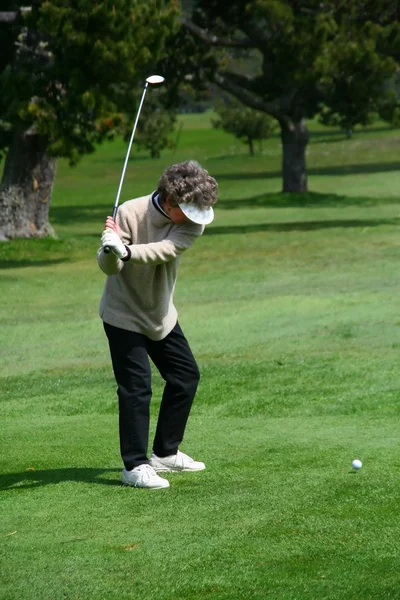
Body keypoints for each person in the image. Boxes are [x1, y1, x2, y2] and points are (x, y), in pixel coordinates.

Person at [97, 160, 218, 489]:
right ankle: (134, 466)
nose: (198, 216)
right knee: (136, 388)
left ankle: (165, 453)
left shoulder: (193, 225)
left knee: (185, 376)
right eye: (191, 209)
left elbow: (164, 251)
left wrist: (126, 250)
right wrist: (109, 249)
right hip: (122, 313)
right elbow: (109, 268)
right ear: (170, 201)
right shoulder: (129, 212)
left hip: (160, 313)